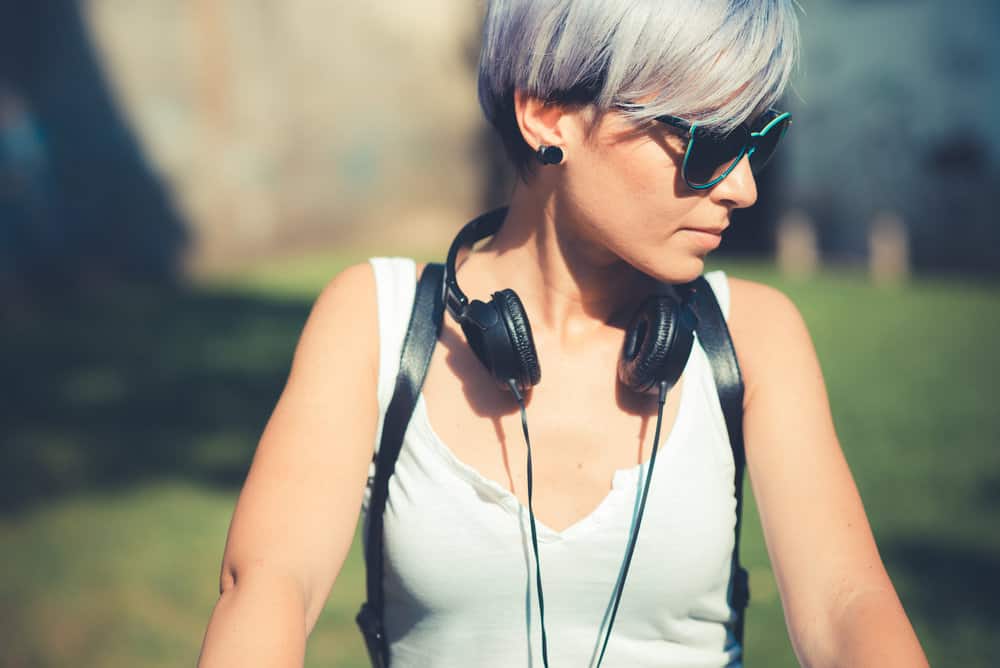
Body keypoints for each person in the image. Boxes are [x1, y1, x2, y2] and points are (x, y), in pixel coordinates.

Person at [199, 1, 929, 666]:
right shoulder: (376, 322)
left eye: (759, 142)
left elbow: (845, 608)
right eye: (708, 141)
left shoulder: (754, 339)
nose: (744, 188)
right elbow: (268, 585)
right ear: (547, 113)